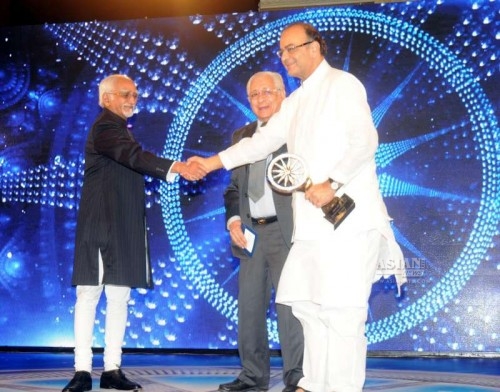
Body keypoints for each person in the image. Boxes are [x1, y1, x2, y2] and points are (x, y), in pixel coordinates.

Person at [189, 22, 406, 392]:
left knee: (341, 312)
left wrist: (332, 181)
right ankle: (314, 384)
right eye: (282, 51)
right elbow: (260, 143)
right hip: (310, 229)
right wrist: (210, 163)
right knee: (309, 308)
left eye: (293, 48)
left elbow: (365, 140)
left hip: (348, 223)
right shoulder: (298, 102)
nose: (286, 56)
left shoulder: (343, 84)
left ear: (315, 47)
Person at [62, 74, 206, 392]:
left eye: (135, 96)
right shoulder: (105, 127)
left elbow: (132, 159)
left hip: (124, 226)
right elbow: (133, 157)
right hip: (100, 226)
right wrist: (177, 167)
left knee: (119, 298)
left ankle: (112, 369)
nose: (132, 100)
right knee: (88, 295)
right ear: (106, 99)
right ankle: (82, 370)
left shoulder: (120, 129)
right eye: (125, 94)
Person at [219, 72, 304, 392]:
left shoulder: (297, 132)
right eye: (254, 94)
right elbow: (233, 191)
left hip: (288, 232)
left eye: (268, 91)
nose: (261, 99)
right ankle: (252, 377)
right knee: (250, 309)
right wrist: (233, 221)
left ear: (284, 93)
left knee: (290, 309)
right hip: (251, 234)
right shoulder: (242, 136)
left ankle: (297, 379)